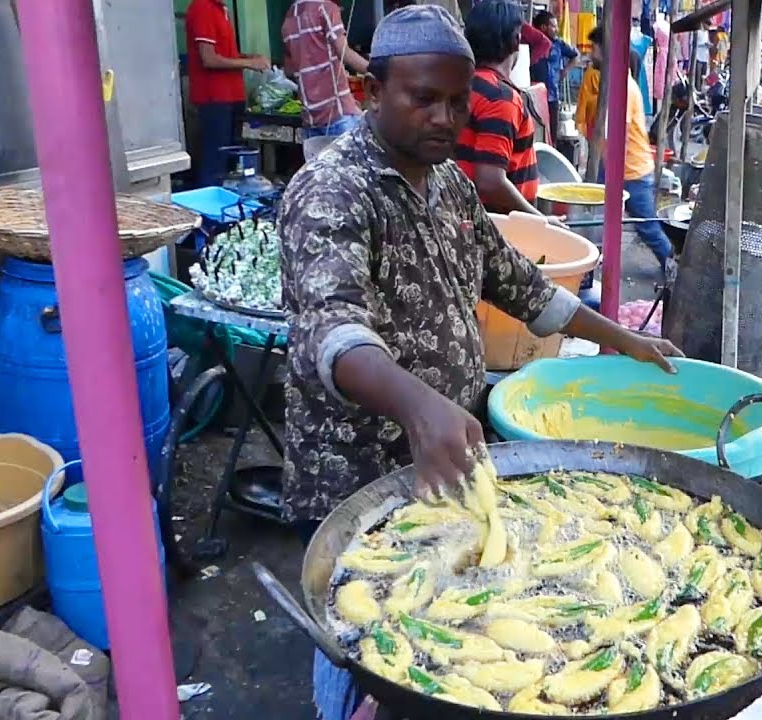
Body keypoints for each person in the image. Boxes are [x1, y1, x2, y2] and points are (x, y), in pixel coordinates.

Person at [278, 8, 682, 718]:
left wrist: (623, 338)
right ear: (375, 91)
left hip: (447, 465)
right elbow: (332, 332)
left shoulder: (452, 186)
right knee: (357, 642)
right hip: (363, 474)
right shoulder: (332, 191)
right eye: (423, 98)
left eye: (459, 100)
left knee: (440, 640)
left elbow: (521, 285)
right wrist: (419, 405)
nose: (447, 117)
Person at [587, 26, 677, 278]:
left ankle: (674, 268)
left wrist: (606, 166)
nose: (591, 55)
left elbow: (619, 134)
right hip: (619, 167)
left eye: (594, 49)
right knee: (599, 221)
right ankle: (596, 267)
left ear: (606, 52)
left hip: (630, 171)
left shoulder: (622, 87)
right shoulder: (614, 83)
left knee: (647, 227)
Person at [456, 0, 542, 214]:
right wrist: (540, 220)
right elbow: (490, 182)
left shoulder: (464, 84)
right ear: (516, 41)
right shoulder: (501, 98)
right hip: (497, 224)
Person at [184, 0, 270, 188]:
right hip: (214, 97)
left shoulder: (221, 9)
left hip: (232, 96)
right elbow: (209, 59)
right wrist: (248, 64)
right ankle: (210, 208)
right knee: (215, 160)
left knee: (233, 162)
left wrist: (248, 57)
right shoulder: (202, 7)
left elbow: (226, 54)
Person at [281, 0, 369, 140]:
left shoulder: (290, 16)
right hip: (337, 115)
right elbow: (344, 53)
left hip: (311, 119)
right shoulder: (326, 8)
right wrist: (376, 69)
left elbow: (289, 69)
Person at [532, 10, 580, 141]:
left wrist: (565, 71)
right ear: (543, 27)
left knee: (552, 132)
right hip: (534, 94)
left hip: (552, 94)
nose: (556, 29)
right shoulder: (532, 43)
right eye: (553, 26)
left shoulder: (559, 44)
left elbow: (575, 56)